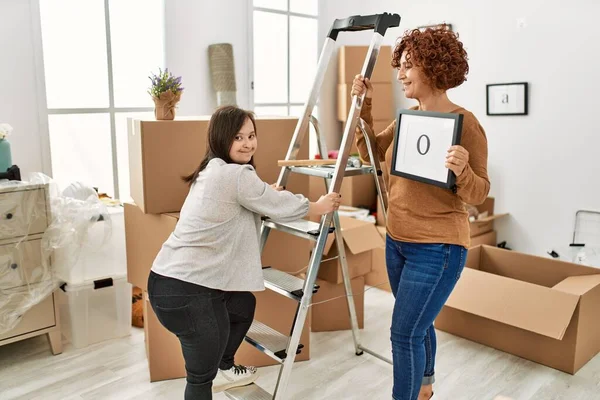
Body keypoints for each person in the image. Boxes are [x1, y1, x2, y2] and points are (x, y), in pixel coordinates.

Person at [147, 105, 341, 400]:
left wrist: (265, 193)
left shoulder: (212, 169)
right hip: (188, 290)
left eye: (251, 135)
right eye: (238, 138)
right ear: (221, 139)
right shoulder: (236, 176)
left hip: (168, 283)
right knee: (200, 379)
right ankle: (217, 370)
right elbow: (273, 203)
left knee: (242, 306)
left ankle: (225, 368)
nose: (248, 143)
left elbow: (251, 198)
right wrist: (318, 206)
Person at [352, 27, 490, 400]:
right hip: (398, 241)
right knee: (418, 322)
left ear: (433, 67)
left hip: (438, 248)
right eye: (400, 65)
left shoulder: (467, 124)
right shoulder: (407, 120)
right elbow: (370, 154)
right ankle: (424, 385)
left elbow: (479, 193)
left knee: (403, 333)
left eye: (408, 66)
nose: (400, 73)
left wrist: (462, 171)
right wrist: (362, 106)